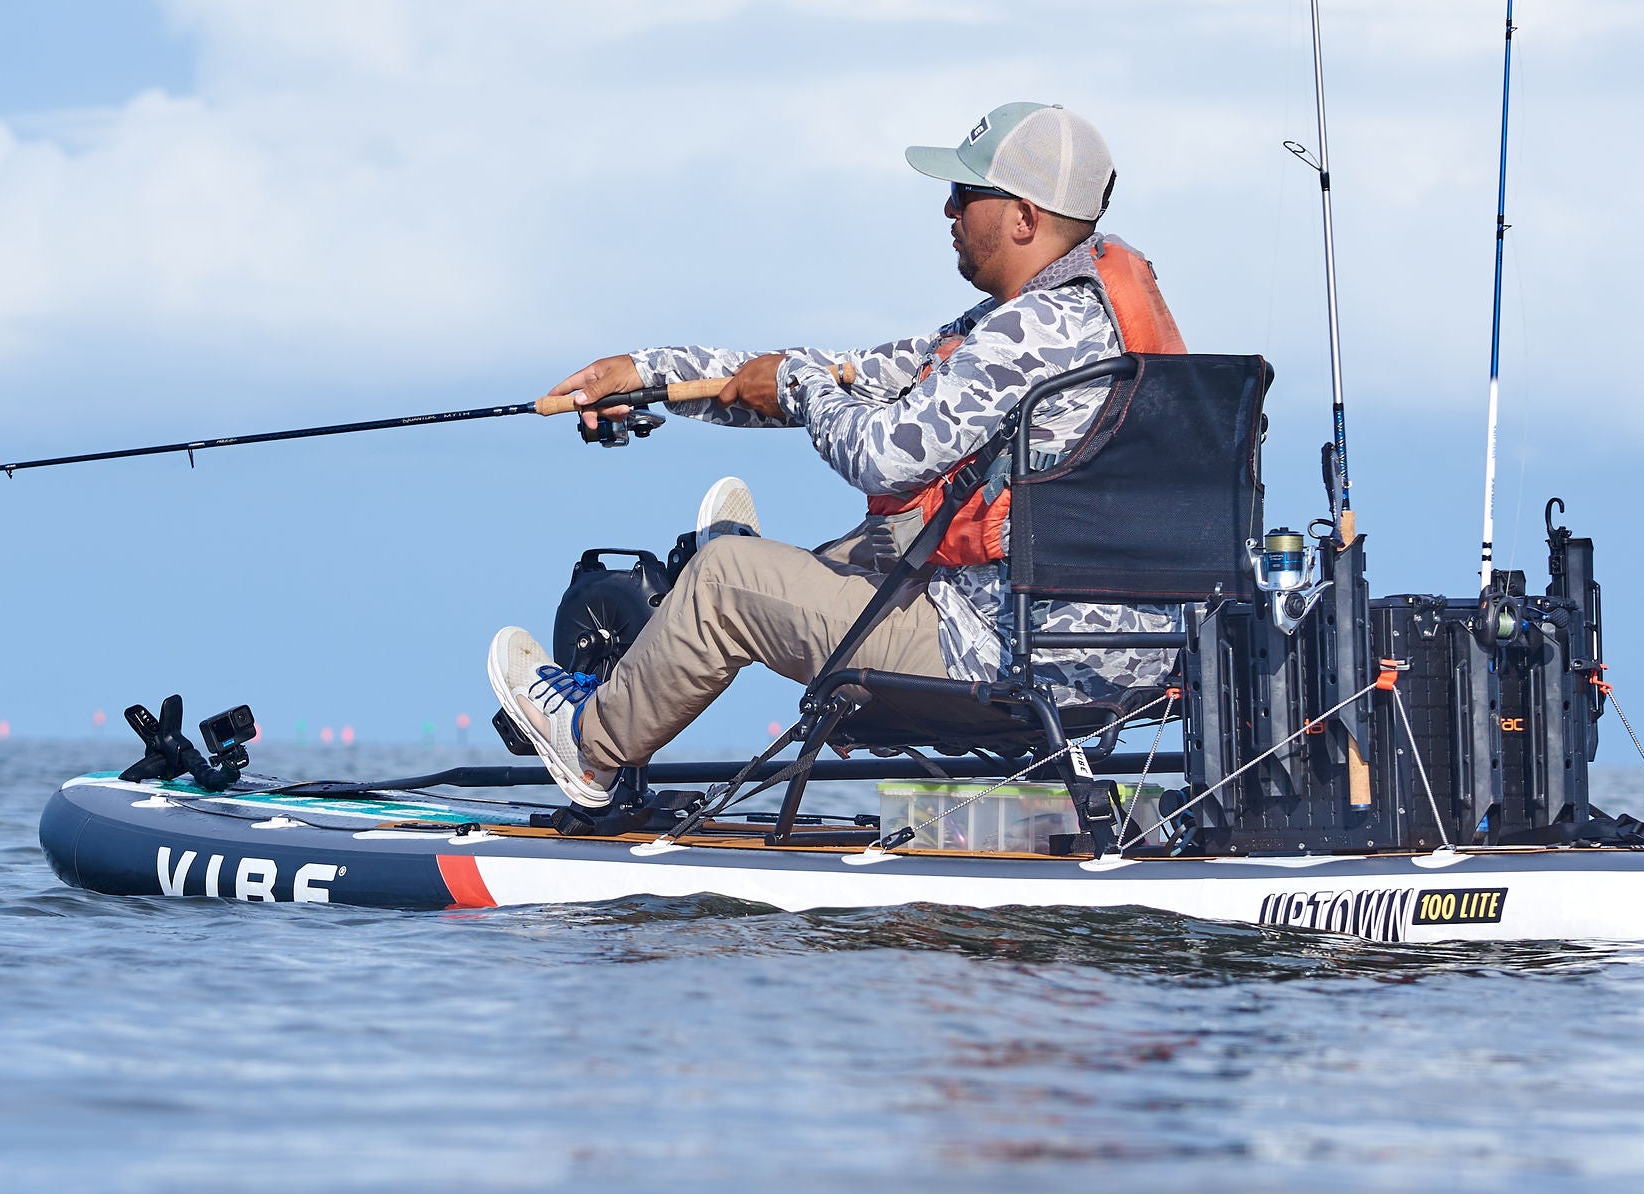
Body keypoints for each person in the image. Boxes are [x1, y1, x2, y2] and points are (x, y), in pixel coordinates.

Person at [487, 102, 1184, 809]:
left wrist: (793, 384)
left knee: (724, 581)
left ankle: (590, 740)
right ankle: (751, 571)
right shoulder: (1102, 317)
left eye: (967, 193)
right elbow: (854, 373)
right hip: (1132, 665)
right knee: (890, 534)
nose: (948, 208)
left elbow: (884, 455)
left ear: (1024, 218)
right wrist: (650, 373)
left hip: (999, 659)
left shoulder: (1023, 334)